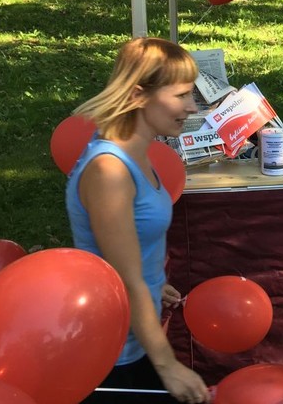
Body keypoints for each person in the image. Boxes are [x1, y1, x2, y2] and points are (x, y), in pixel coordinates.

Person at [66, 37, 210, 404]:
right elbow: (125, 280)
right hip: (109, 353)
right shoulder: (109, 170)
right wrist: (169, 366)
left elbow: (122, 253)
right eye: (181, 96)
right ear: (138, 95)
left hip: (135, 339)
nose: (192, 107)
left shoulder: (139, 157)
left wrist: (154, 283)